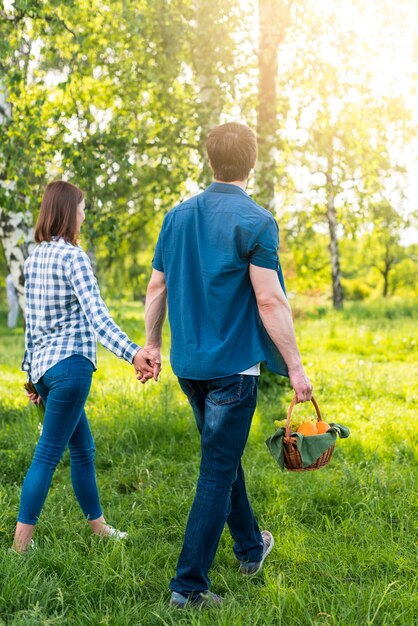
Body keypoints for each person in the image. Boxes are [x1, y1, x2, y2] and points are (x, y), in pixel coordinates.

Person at [142, 122, 313, 608]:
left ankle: (249, 547)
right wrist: (296, 369)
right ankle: (188, 588)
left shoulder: (176, 218)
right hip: (234, 370)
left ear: (210, 159)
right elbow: (270, 301)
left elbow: (157, 288)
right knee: (216, 469)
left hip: (188, 365)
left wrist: (152, 344)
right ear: (252, 161)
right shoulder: (256, 220)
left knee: (223, 455)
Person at [13, 180, 157, 553]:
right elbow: (99, 318)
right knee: (47, 454)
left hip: (46, 373)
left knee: (83, 450)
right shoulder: (73, 257)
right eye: (82, 208)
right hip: (71, 370)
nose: (84, 214)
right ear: (67, 212)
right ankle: (18, 548)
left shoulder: (33, 258)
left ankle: (99, 527)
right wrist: (134, 353)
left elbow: (32, 326)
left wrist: (31, 377)